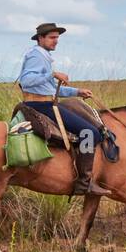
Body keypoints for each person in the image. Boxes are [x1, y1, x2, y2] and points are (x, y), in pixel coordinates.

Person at [17, 22, 110, 195]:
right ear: (40, 38)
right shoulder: (36, 55)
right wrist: (52, 74)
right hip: (41, 106)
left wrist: (77, 91)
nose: (56, 41)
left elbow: (50, 88)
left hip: (46, 101)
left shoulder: (42, 54)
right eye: (52, 37)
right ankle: (84, 183)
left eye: (57, 38)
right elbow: (26, 81)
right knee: (90, 133)